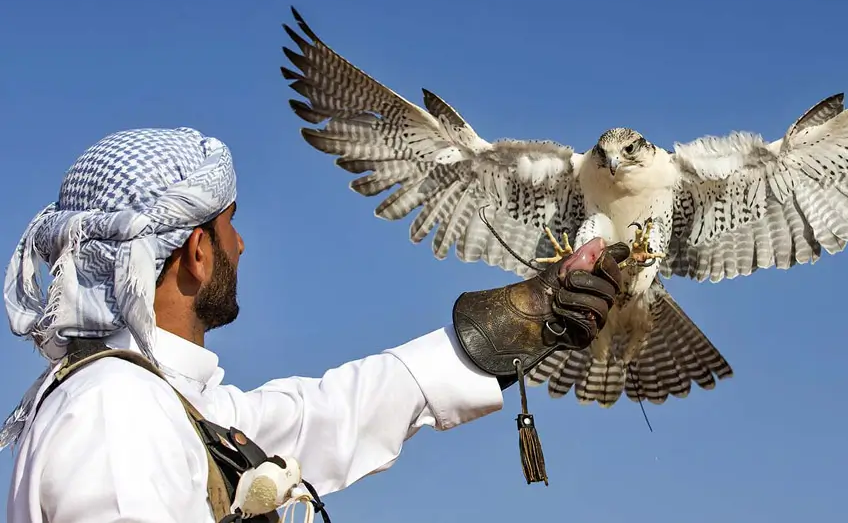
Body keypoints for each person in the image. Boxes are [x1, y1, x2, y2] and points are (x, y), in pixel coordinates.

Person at [2, 127, 627, 523]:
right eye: (228, 227)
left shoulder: (165, 404)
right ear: (196, 251)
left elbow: (329, 413)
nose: (241, 246)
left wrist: (530, 317)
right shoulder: (115, 412)